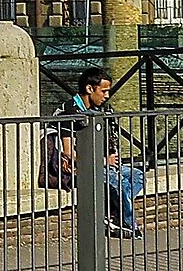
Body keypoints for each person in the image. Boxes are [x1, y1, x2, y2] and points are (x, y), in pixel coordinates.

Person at [47, 67, 145, 238]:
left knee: (137, 176)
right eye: (104, 91)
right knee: (118, 182)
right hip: (79, 168)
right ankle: (129, 225)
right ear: (90, 88)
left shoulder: (100, 109)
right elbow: (68, 153)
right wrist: (102, 161)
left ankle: (113, 215)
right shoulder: (70, 112)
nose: (107, 96)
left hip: (101, 163)